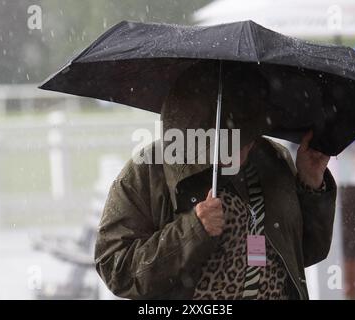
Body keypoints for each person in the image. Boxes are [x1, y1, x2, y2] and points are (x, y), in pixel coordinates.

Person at [94, 62, 337, 300]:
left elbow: (304, 254)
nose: (228, 154)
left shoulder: (273, 160)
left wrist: (310, 183)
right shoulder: (148, 170)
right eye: (215, 144)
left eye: (241, 143)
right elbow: (117, 270)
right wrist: (193, 229)